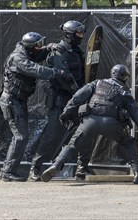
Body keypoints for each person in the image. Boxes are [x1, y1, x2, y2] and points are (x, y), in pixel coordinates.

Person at [40, 64, 138, 184]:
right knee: (127, 142)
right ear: (125, 77)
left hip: (90, 121)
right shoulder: (125, 92)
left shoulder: (97, 83)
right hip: (112, 123)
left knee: (73, 144)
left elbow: (78, 96)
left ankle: (57, 164)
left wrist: (66, 112)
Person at [0, 32, 73, 182]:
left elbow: (37, 55)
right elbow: (35, 69)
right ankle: (7, 172)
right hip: (12, 101)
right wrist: (57, 72)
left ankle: (7, 171)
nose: (40, 46)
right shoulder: (18, 58)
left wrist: (48, 48)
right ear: (30, 47)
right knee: (21, 137)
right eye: (38, 45)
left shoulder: (27, 52)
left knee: (20, 137)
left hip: (18, 100)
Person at [28, 20, 86, 181]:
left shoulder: (76, 51)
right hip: (61, 100)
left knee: (84, 132)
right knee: (52, 136)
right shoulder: (58, 52)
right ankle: (36, 167)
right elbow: (64, 79)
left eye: (82, 34)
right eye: (78, 34)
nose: (81, 37)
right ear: (69, 35)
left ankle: (82, 168)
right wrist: (79, 94)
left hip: (77, 99)